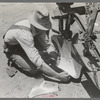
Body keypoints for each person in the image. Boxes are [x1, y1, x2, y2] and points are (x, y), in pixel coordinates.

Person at [3, 5, 70, 82]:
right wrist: (58, 76)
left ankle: (29, 53)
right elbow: (36, 60)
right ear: (35, 24)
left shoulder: (39, 26)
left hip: (28, 42)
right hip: (14, 48)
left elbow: (46, 45)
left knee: (44, 53)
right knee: (34, 69)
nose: (43, 29)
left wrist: (58, 59)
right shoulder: (24, 33)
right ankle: (14, 59)